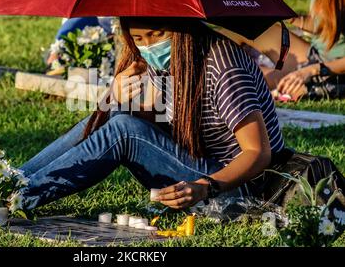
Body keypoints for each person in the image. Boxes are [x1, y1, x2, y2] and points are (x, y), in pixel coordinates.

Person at [19, 16, 285, 211]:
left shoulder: (222, 65)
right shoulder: (175, 58)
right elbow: (157, 123)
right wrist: (115, 97)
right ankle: (12, 181)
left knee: (123, 130)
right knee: (117, 114)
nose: (148, 46)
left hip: (241, 187)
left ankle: (19, 197)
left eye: (156, 34)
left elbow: (258, 153)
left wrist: (205, 187)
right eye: (138, 39)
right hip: (206, 167)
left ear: (181, 25)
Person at [219, 0, 345, 101]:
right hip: (314, 56)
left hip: (332, 74)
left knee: (240, 81)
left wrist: (311, 70)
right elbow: (327, 25)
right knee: (240, 28)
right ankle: (200, 63)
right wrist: (285, 12)